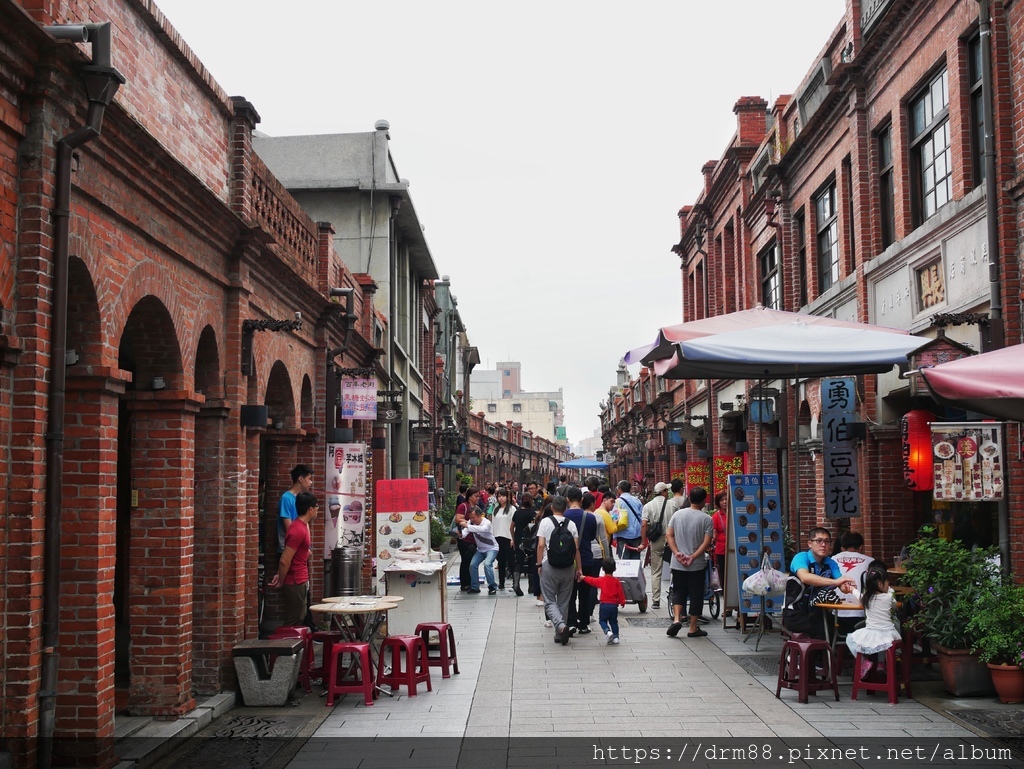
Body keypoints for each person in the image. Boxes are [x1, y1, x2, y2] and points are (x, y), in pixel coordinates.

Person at [782, 527, 857, 642]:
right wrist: (836, 582)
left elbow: (841, 582)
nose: (823, 545)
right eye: (819, 541)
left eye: (827, 541)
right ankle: (804, 658)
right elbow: (805, 577)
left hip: (818, 613)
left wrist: (847, 587)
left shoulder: (831, 563)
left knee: (844, 628)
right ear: (810, 543)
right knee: (823, 630)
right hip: (796, 613)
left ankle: (828, 658)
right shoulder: (801, 557)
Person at [665, 486, 714, 638]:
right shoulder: (707, 519)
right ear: (704, 501)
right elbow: (707, 542)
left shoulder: (677, 515)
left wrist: (676, 552)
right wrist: (693, 556)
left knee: (679, 591)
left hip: (678, 563)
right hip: (697, 564)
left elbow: (669, 535)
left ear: (690, 499)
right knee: (696, 595)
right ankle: (693, 628)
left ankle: (677, 618)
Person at [845, 561, 903, 680]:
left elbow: (858, 595)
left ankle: (863, 661)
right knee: (880, 643)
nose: (889, 584)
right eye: (887, 582)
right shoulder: (889, 596)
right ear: (880, 585)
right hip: (889, 634)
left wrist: (852, 589)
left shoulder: (866, 598)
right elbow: (893, 606)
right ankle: (884, 662)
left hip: (872, 632)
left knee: (850, 639)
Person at [536, 495, 582, 645]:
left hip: (549, 564)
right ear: (565, 509)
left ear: (552, 507)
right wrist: (578, 568)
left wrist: (538, 564)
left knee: (549, 601)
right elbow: (576, 549)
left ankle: (561, 627)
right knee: (564, 601)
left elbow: (541, 545)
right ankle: (558, 634)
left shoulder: (545, 522)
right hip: (568, 566)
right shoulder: (572, 524)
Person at [269, 491, 317, 626]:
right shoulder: (297, 530)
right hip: (295, 580)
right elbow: (285, 559)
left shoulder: (302, 526)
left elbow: (300, 553)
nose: (317, 510)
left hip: (300, 578)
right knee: (293, 620)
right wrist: (281, 579)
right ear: (310, 509)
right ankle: (285, 645)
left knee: (300, 618)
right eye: (316, 507)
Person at [564, 487, 600, 634]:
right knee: (584, 593)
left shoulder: (563, 516)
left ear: (567, 500)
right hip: (586, 558)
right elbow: (592, 537)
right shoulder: (590, 518)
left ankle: (571, 622)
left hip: (567, 561)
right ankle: (584, 623)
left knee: (569, 593)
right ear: (582, 500)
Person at [831, 531, 873, 635]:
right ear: (861, 547)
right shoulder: (870, 561)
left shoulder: (832, 560)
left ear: (842, 548)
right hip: (862, 615)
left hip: (837, 615)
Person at [641, 482, 673, 610]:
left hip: (656, 540)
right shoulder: (673, 505)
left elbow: (644, 524)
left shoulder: (648, 506)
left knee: (656, 571)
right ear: (664, 492)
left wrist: (643, 542)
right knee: (674, 568)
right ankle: (674, 596)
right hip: (671, 540)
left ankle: (655, 600)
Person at [581, 559, 626, 645]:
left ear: (603, 569)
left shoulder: (602, 580)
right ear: (615, 569)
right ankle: (616, 637)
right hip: (614, 605)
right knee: (613, 622)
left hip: (604, 604)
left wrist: (584, 577)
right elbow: (621, 592)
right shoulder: (616, 581)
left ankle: (607, 631)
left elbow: (592, 580)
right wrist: (622, 601)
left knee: (602, 620)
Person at [459, 506, 499, 594]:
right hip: (480, 549)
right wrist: (460, 534)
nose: (472, 519)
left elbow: (483, 529)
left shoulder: (486, 522)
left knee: (487, 564)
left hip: (491, 548)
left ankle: (492, 586)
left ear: (479, 516)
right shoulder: (471, 523)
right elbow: (465, 533)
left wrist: (467, 526)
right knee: (473, 564)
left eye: (473, 517)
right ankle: (475, 587)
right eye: (470, 518)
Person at [278, 464, 313, 553]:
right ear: (300, 479)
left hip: (301, 548)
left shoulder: (301, 498)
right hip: (289, 549)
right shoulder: (286, 498)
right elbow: (290, 528)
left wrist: (307, 546)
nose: (311, 482)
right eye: (309, 479)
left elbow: (305, 522)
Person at [511, 492, 537, 597]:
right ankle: (531, 587)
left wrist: (513, 538)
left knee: (519, 561)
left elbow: (511, 527)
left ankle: (516, 583)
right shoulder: (533, 513)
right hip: (530, 541)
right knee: (531, 561)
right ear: (531, 501)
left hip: (519, 539)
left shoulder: (517, 513)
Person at [491, 488, 517, 590]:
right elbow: (493, 524)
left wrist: (512, 538)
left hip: (508, 537)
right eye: (499, 496)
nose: (501, 498)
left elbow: (514, 525)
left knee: (511, 561)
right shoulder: (495, 510)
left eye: (503, 496)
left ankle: (515, 581)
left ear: (507, 497)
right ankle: (501, 582)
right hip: (497, 537)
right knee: (500, 561)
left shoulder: (512, 509)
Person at [455, 487, 480, 591]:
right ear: (470, 497)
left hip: (474, 539)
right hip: (464, 539)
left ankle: (470, 582)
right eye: (476, 496)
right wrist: (470, 522)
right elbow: (458, 519)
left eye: (478, 496)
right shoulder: (463, 506)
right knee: (466, 561)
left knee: (471, 561)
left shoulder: (476, 507)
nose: (478, 498)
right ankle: (464, 583)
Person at [613, 480, 643, 559]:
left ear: (619, 489)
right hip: (636, 534)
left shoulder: (617, 502)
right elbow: (642, 516)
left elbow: (614, 518)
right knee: (635, 560)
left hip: (622, 534)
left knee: (624, 561)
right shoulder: (637, 500)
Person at [711, 489, 729, 600]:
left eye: (726, 499)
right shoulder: (716, 516)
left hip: (736, 549)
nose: (725, 502)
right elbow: (714, 533)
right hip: (722, 550)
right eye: (722, 500)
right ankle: (727, 598)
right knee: (724, 574)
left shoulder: (736, 512)